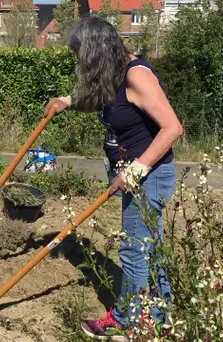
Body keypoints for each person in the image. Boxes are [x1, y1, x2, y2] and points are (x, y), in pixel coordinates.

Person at [44, 17, 183, 340]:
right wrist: (68, 101)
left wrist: (134, 171)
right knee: (153, 248)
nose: (79, 61)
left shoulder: (136, 76)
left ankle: (127, 321)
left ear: (94, 52)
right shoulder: (117, 74)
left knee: (134, 251)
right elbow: (105, 101)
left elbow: (172, 128)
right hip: (145, 176)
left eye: (81, 55)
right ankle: (162, 315)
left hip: (148, 178)